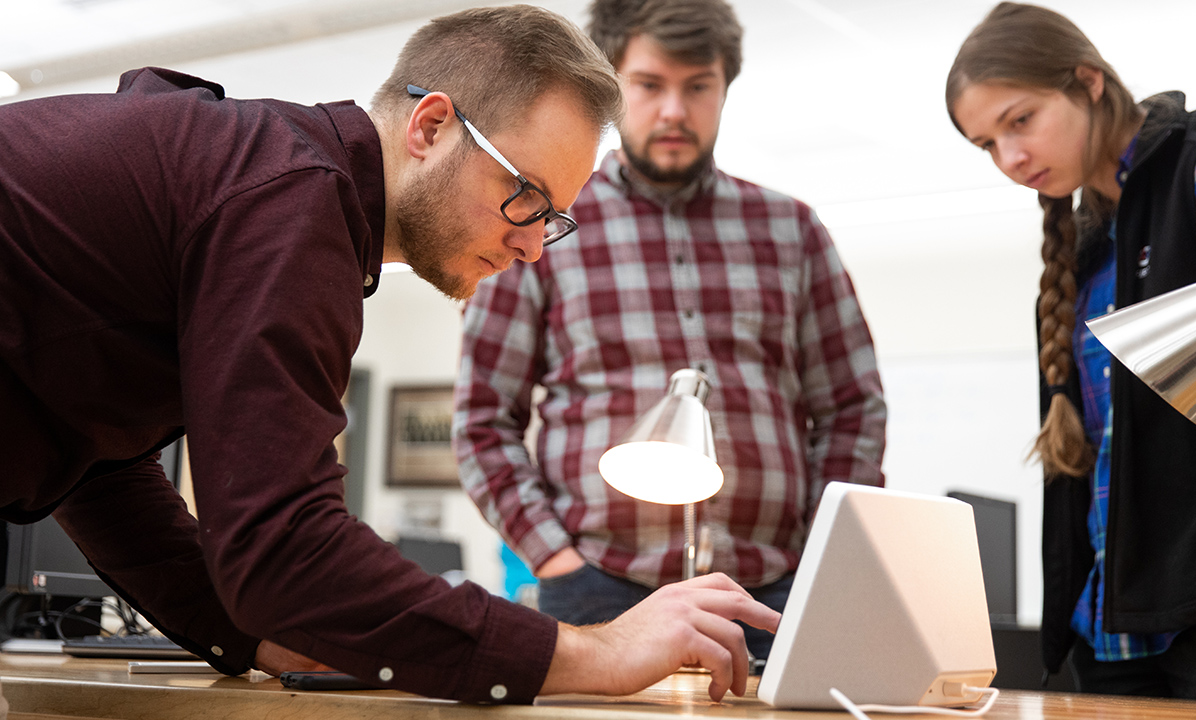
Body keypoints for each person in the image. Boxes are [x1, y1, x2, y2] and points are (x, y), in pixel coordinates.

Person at [0, 4, 779, 706]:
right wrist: (593, 650)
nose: (535, 245)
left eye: (555, 218)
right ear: (431, 126)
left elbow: (103, 468)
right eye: (526, 196)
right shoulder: (292, 198)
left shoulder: (259, 174)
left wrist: (255, 636)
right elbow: (285, 550)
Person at [452, 0, 885, 662]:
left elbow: (853, 407)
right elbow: (483, 418)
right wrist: (555, 557)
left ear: (724, 88)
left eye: (698, 86)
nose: (675, 111)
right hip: (597, 588)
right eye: (650, 86)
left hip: (772, 591)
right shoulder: (541, 223)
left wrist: (820, 558)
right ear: (612, 86)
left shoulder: (791, 229)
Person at [947, 2, 1196, 703]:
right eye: (987, 144)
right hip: (1108, 637)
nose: (1010, 158)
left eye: (1020, 120)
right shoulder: (1085, 246)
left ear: (1088, 82)